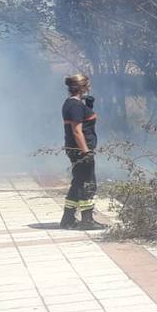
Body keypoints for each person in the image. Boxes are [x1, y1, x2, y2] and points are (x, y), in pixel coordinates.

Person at [61, 74, 104, 230]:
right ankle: (87, 220)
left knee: (78, 182)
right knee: (88, 183)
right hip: (80, 150)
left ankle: (67, 218)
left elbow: (84, 124)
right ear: (82, 87)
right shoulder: (75, 106)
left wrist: (89, 107)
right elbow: (77, 131)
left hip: (75, 149)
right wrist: (86, 152)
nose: (90, 87)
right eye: (88, 85)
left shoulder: (73, 104)